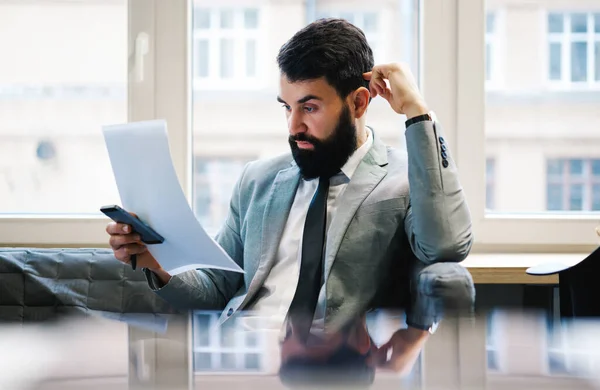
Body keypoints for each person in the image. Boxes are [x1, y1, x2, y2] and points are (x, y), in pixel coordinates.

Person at [106, 18, 473, 370]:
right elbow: (219, 287)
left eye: (310, 108)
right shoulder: (258, 179)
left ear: (359, 103)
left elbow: (446, 246)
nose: (294, 126)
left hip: (334, 365)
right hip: (243, 357)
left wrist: (417, 113)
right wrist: (157, 262)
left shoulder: (405, 180)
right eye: (287, 107)